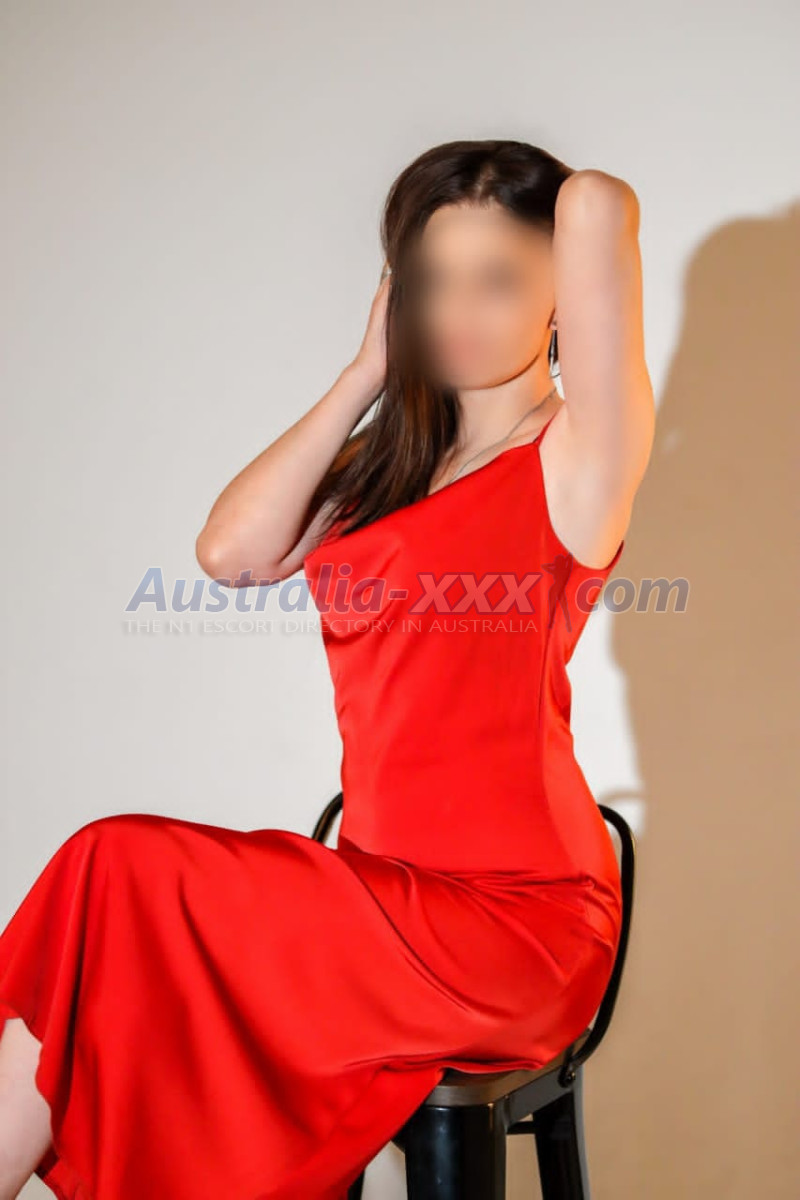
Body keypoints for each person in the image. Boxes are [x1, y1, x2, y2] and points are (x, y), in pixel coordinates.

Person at [0, 139, 654, 1199]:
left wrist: (535, 221)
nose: (459, 312)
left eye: (497, 279)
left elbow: (596, 205)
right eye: (433, 281)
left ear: (558, 296)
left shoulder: (579, 460)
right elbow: (230, 553)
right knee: (104, 910)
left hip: (514, 921)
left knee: (110, 864)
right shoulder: (385, 471)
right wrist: (365, 374)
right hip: (372, 895)